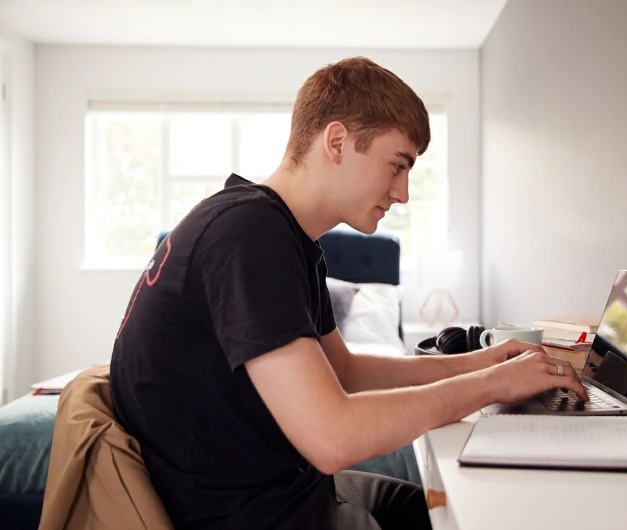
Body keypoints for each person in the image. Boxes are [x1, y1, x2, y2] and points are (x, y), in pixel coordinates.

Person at [110, 56, 588, 530]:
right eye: (396, 165)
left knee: (463, 512)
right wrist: (492, 387)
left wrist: (483, 363)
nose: (402, 192)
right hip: (251, 517)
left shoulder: (289, 239)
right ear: (337, 141)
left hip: (289, 492)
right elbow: (331, 438)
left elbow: (345, 371)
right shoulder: (247, 233)